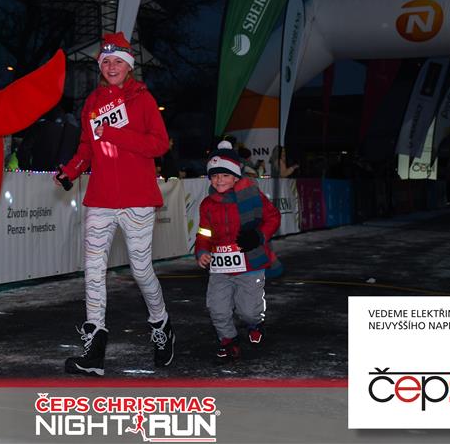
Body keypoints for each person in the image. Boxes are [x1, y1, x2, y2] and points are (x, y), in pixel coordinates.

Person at [54, 32, 174, 376]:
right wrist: (71, 171)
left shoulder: (143, 99)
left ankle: (161, 324)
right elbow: (87, 148)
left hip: (138, 199)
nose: (111, 66)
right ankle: (94, 350)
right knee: (93, 271)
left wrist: (113, 133)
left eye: (118, 61)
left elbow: (160, 144)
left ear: (129, 66)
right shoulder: (92, 102)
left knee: (141, 269)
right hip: (101, 199)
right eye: (105, 61)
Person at [195, 140, 280, 363]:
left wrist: (259, 236)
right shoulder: (207, 204)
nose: (219, 180)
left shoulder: (251, 195)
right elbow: (204, 232)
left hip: (250, 264)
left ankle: (255, 323)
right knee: (217, 308)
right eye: (214, 176)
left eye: (225, 175)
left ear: (235, 177)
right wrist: (202, 251)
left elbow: (273, 218)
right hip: (220, 267)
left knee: (248, 311)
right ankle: (228, 341)